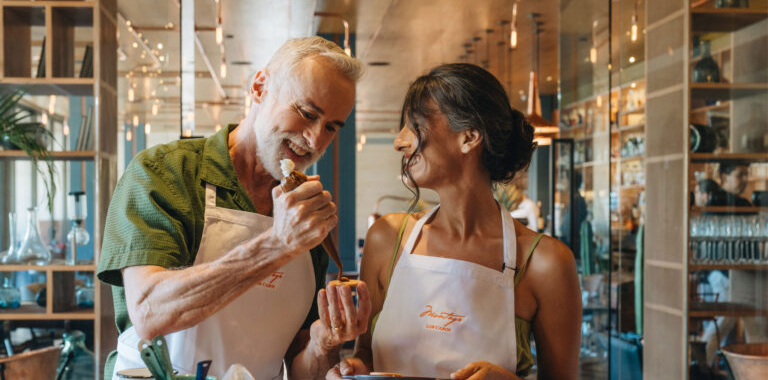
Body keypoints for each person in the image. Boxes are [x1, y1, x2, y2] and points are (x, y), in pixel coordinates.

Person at [97, 37, 372, 380]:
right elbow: (150, 312)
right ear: (259, 88)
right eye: (307, 113)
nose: (315, 140)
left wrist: (321, 345)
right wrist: (277, 244)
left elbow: (300, 368)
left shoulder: (305, 212)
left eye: (331, 127)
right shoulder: (167, 173)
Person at [327, 63, 581, 379]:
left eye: (415, 124)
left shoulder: (546, 264)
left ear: (469, 137)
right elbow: (366, 352)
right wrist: (355, 368)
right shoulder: (386, 240)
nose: (400, 141)